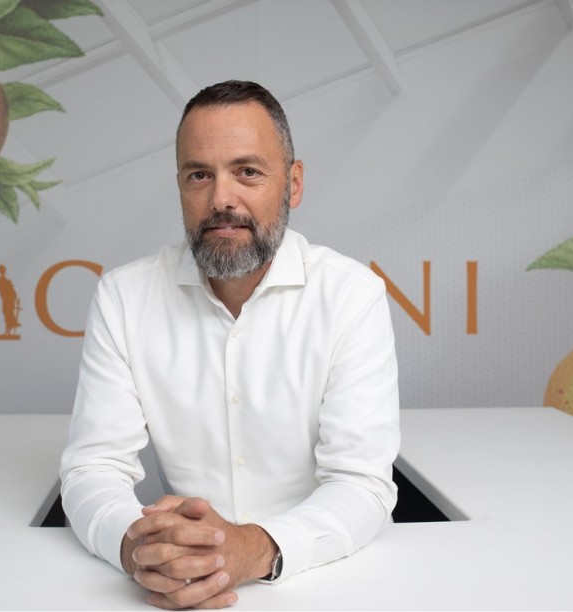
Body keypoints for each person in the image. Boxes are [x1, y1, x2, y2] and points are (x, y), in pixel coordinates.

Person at [60, 80, 400, 609]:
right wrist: (138, 550)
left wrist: (251, 549)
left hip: (325, 583)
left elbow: (362, 485)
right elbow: (92, 468)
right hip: (174, 586)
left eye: (247, 171)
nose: (221, 199)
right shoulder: (124, 297)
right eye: (199, 174)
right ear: (179, 186)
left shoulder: (352, 296)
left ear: (293, 184)